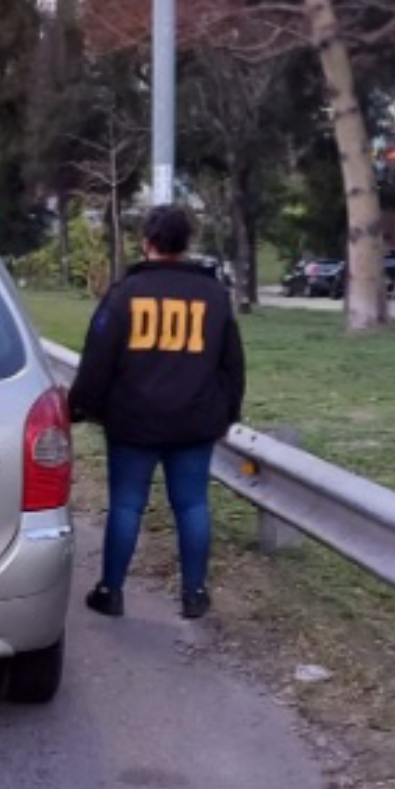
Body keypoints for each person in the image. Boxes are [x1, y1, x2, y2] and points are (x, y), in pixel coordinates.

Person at [67, 205, 245, 620]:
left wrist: (81, 407)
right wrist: (227, 416)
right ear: (186, 244)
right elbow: (232, 364)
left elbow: (98, 361)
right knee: (193, 505)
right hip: (195, 421)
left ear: (147, 242)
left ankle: (111, 591)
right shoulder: (214, 296)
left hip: (133, 422)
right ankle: (195, 593)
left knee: (127, 505)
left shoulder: (125, 294)